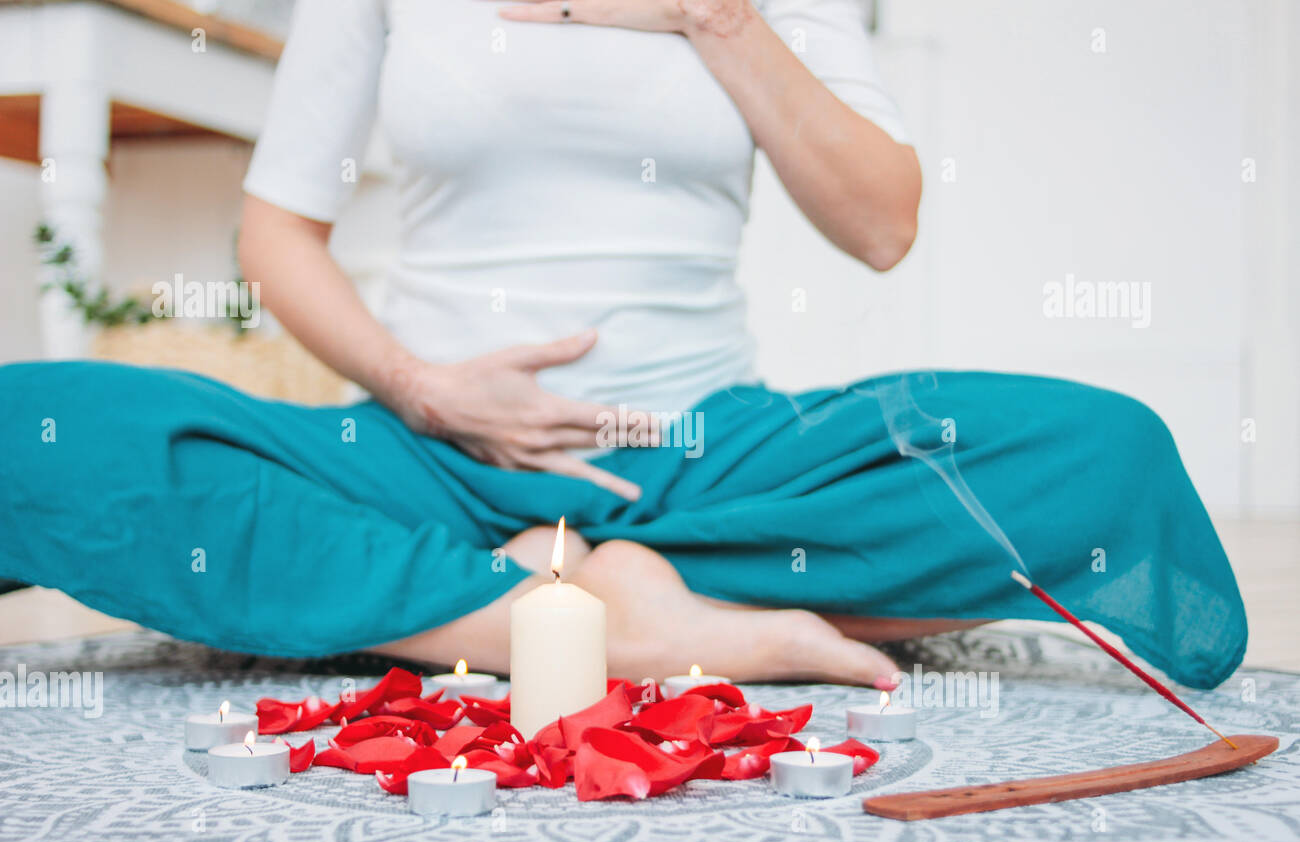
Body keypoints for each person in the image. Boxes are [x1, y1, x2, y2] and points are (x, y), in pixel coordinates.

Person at [0, 0, 1246, 690]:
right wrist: (420, 389)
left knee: (1105, 452)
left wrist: (712, 15)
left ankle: (515, 591)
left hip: (716, 455)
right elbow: (276, 234)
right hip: (419, 451)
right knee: (29, 429)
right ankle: (626, 621)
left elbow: (882, 223)